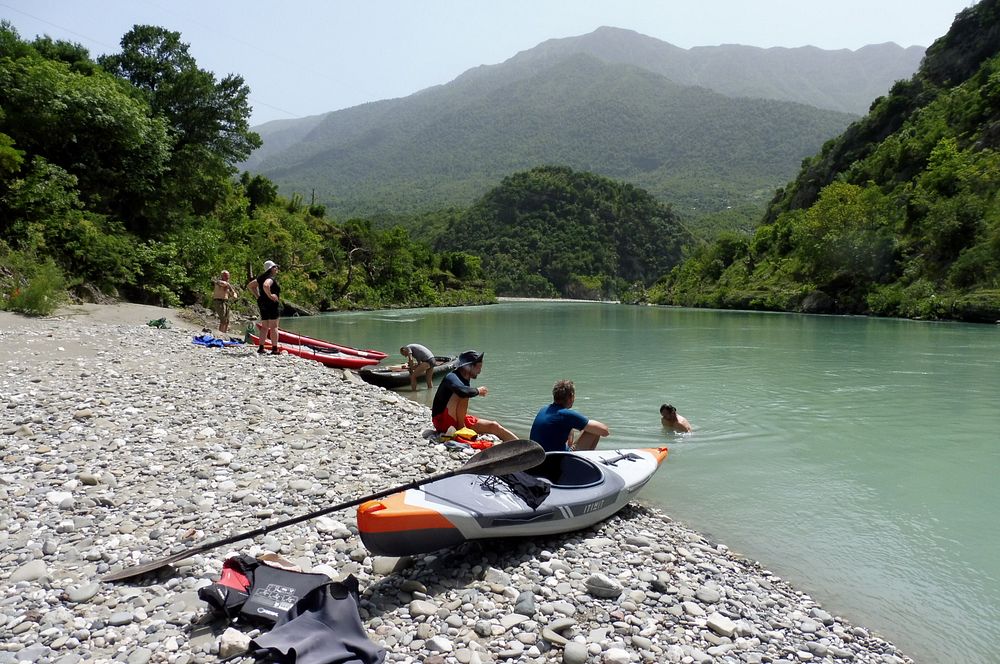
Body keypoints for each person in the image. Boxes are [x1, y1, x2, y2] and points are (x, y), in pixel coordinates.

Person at [431, 350, 517, 442]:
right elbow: (462, 391)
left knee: (494, 426)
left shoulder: (465, 378)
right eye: (479, 367)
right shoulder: (452, 377)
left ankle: (525, 446)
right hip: (442, 421)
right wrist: (477, 391)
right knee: (464, 393)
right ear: (468, 366)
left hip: (456, 419)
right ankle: (461, 428)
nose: (480, 371)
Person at [530, 379, 610, 453]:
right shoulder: (565, 415)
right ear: (571, 397)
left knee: (587, 427)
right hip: (555, 460)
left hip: (538, 458)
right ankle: (582, 464)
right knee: (594, 430)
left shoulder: (544, 409)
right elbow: (605, 431)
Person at [247, 260, 281, 355]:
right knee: (274, 326)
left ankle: (261, 347)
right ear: (271, 269)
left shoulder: (260, 277)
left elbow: (250, 286)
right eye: (275, 267)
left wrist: (258, 296)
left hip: (262, 304)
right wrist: (271, 296)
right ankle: (274, 349)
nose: (277, 269)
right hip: (271, 304)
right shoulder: (270, 278)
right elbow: (266, 285)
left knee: (265, 326)